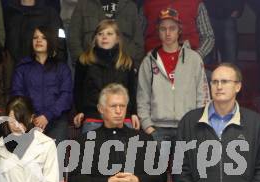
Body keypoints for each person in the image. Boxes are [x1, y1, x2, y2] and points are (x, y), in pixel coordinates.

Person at [137, 8, 209, 148]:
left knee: (183, 170)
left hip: (188, 127)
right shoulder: (149, 60)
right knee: (157, 170)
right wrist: (148, 127)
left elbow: (203, 96)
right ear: (158, 31)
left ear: (179, 30)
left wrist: (197, 124)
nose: (168, 33)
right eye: (163, 29)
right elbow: (142, 97)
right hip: (157, 128)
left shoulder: (194, 59)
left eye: (172, 28)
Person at [74, 19, 139, 134]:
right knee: (90, 151)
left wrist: (134, 113)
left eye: (109, 34)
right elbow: (78, 90)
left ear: (117, 38)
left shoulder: (126, 62)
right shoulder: (84, 61)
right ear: (95, 38)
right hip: (94, 115)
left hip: (122, 116)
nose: (104, 37)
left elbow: (132, 90)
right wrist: (80, 111)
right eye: (100, 34)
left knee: (129, 151)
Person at [11, 26, 72, 144]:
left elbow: (66, 95)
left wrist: (47, 115)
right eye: (35, 38)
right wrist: (30, 117)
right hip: (30, 122)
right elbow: (17, 94)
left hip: (56, 122)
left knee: (56, 161)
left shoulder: (62, 68)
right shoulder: (23, 67)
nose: (38, 40)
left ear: (51, 41)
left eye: (43, 37)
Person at [69, 0, 144, 66]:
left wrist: (132, 66)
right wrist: (81, 63)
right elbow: (73, 36)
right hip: (90, 68)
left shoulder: (130, 6)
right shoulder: (84, 4)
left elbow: (138, 41)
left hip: (122, 69)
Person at [143, 0, 215, 60]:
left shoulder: (195, 3)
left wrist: (196, 56)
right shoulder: (148, 4)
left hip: (188, 59)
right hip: (154, 60)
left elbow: (208, 36)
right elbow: (139, 37)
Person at [203, 0, 244, 64]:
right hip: (209, 14)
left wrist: (239, 9)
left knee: (230, 58)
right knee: (205, 56)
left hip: (228, 15)